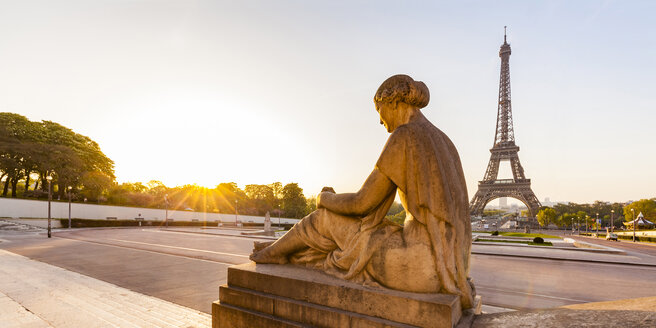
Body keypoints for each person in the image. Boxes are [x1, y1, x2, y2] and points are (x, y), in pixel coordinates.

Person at [250, 74, 474, 309]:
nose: (380, 121)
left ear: (394, 103)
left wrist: (323, 198)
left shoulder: (406, 135)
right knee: (355, 232)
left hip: (416, 265)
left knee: (324, 219)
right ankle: (278, 249)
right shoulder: (444, 141)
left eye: (379, 110)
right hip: (447, 267)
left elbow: (361, 203)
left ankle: (275, 253)